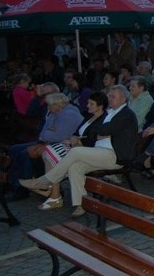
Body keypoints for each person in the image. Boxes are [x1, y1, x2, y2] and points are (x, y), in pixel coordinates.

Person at [20, 85, 138, 218]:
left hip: (116, 156)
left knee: (75, 152)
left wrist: (101, 133)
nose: (109, 99)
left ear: (123, 98)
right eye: (109, 96)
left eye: (113, 96)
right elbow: (95, 131)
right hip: (101, 152)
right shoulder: (111, 113)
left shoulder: (126, 114)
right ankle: (80, 205)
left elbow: (102, 130)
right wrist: (100, 133)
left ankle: (44, 181)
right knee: (75, 166)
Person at [34, 92, 109, 211]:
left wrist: (78, 141)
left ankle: (52, 192)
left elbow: (94, 139)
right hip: (77, 147)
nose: (87, 105)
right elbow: (77, 132)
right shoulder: (89, 117)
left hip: (90, 151)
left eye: (91, 103)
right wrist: (73, 138)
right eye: (88, 103)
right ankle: (53, 193)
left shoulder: (104, 119)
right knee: (48, 153)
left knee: (52, 156)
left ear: (100, 106)